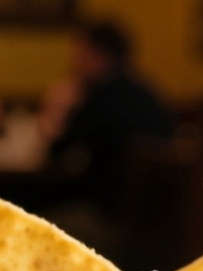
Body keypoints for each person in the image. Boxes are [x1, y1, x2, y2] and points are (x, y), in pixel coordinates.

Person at [38, 22, 174, 228]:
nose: (75, 63)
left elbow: (58, 151)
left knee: (37, 220)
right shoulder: (148, 93)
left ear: (98, 55)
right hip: (157, 225)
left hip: (109, 218)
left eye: (81, 55)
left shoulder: (101, 95)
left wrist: (53, 116)